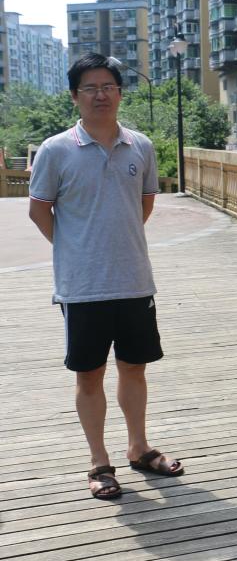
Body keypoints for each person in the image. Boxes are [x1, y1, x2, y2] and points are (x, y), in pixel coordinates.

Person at [28, 53, 184, 501]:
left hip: (134, 280)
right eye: (90, 88)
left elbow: (144, 204)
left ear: (120, 92)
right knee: (89, 374)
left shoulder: (141, 146)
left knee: (135, 368)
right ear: (74, 96)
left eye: (108, 87)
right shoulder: (56, 149)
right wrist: (75, 247)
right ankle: (99, 461)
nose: (101, 95)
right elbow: (39, 210)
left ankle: (139, 447)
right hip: (83, 287)